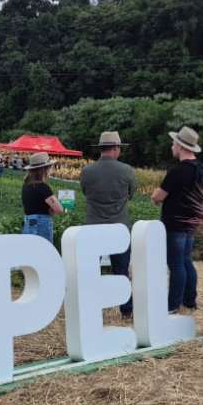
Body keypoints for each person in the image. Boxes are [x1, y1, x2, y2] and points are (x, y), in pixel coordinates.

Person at [81, 131, 136, 318]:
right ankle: (126, 310)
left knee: (90, 271)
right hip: (119, 227)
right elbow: (131, 194)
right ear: (115, 148)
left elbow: (85, 192)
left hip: (93, 227)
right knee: (121, 272)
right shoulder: (127, 170)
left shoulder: (87, 171)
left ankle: (90, 308)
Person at [151, 126, 203, 313]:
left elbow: (158, 196)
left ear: (181, 146)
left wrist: (155, 198)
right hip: (192, 222)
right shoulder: (201, 171)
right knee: (186, 261)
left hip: (174, 223)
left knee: (175, 265)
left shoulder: (177, 171)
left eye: (174, 143)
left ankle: (173, 305)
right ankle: (190, 301)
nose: (172, 146)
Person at [21, 152, 63, 243]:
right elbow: (59, 209)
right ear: (44, 169)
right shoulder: (43, 187)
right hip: (40, 223)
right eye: (50, 167)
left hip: (28, 223)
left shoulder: (26, 186)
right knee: (44, 253)